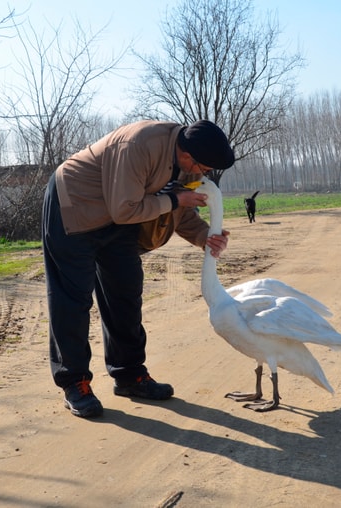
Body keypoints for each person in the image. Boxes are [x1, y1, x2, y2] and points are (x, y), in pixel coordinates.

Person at [42, 119, 235, 418]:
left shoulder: (188, 164)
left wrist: (204, 237)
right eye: (205, 169)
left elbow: (179, 211)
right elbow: (128, 208)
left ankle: (129, 374)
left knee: (125, 291)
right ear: (187, 155)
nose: (204, 174)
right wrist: (175, 199)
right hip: (74, 206)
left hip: (117, 217)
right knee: (73, 297)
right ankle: (74, 383)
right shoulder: (139, 145)